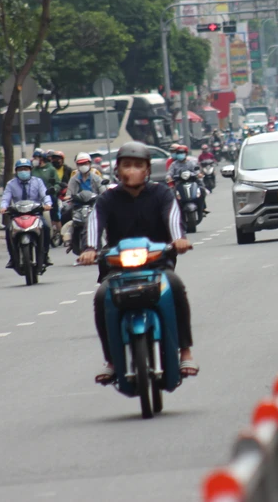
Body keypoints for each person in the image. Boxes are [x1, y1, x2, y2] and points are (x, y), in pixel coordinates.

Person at [78, 142, 198, 382]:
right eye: (126, 165)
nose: (131, 170)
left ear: (147, 170)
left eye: (137, 165)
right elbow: (94, 222)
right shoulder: (107, 198)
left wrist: (179, 239)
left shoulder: (162, 193)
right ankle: (111, 360)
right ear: (118, 170)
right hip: (117, 267)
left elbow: (173, 217)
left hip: (157, 263)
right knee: (102, 297)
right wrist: (90, 249)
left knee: (175, 286)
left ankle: (185, 351)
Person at [0, 158, 53, 270]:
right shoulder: (11, 184)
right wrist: (3, 207)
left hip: (35, 213)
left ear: (30, 170)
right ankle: (12, 258)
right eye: (20, 169)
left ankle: (45, 255)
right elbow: (5, 198)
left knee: (46, 228)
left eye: (26, 169)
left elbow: (45, 195)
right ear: (16, 171)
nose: (23, 171)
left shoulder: (38, 182)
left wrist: (47, 204)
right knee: (8, 230)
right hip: (17, 214)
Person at [62, 152, 106, 229]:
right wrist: (69, 197)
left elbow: (103, 192)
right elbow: (68, 194)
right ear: (77, 165)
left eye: (85, 163)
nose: (83, 166)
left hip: (94, 206)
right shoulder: (74, 179)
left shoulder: (96, 178)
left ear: (90, 164)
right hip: (78, 207)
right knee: (64, 216)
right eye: (80, 164)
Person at [168, 144, 207, 213]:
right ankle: (176, 211)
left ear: (186, 154)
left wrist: (198, 174)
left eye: (182, 153)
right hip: (179, 182)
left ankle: (202, 207)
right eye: (178, 153)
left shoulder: (191, 163)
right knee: (172, 194)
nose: (180, 155)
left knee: (202, 189)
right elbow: (170, 173)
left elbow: (196, 170)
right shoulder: (174, 164)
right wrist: (169, 177)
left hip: (192, 181)